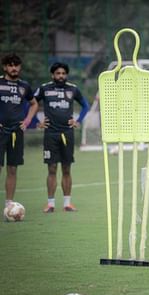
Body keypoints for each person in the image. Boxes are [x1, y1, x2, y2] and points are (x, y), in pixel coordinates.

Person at [34, 62, 89, 212]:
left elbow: (86, 105)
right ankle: (50, 204)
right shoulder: (44, 88)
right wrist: (35, 122)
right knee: (52, 168)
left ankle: (67, 203)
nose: (61, 76)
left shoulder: (73, 89)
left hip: (67, 134)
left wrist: (78, 121)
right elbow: (30, 104)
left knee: (66, 168)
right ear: (52, 75)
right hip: (50, 134)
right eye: (58, 73)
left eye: (63, 73)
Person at [0, 54, 38, 208]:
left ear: (20, 67)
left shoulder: (24, 86)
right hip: (1, 132)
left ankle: (9, 204)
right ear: (4, 67)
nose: (13, 68)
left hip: (17, 132)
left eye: (16, 65)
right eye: (10, 65)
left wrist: (28, 120)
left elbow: (34, 104)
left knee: (13, 168)